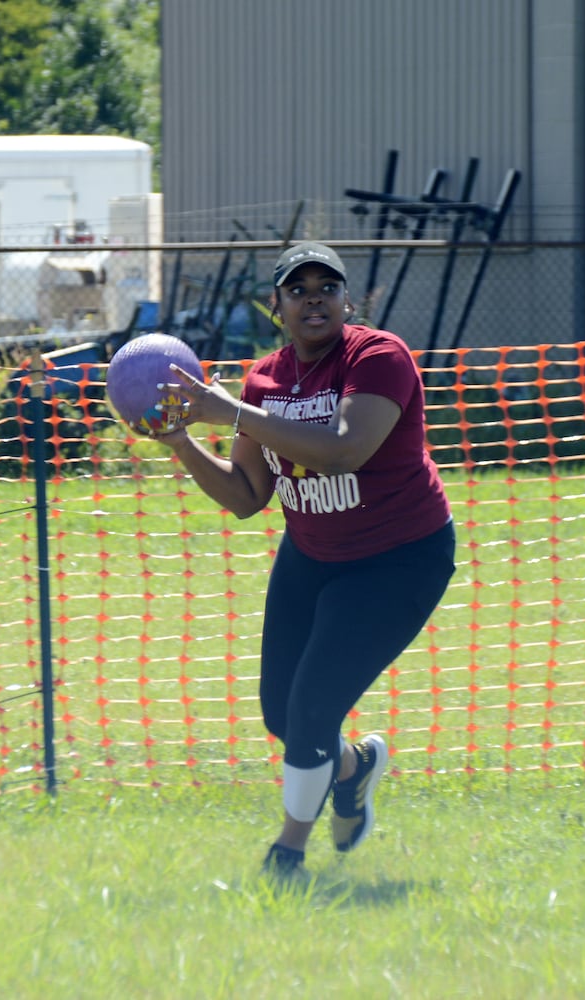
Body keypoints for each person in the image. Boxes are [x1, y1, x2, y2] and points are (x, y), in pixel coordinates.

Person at [153, 241, 456, 880]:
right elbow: (245, 497)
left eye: (327, 287)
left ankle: (287, 853)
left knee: (313, 707)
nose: (313, 298)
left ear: (348, 300)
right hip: (313, 554)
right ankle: (352, 769)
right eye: (298, 289)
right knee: (280, 711)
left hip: (398, 558)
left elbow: (344, 451)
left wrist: (224, 409)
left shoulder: (379, 356)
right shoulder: (265, 377)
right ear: (277, 306)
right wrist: (181, 439)